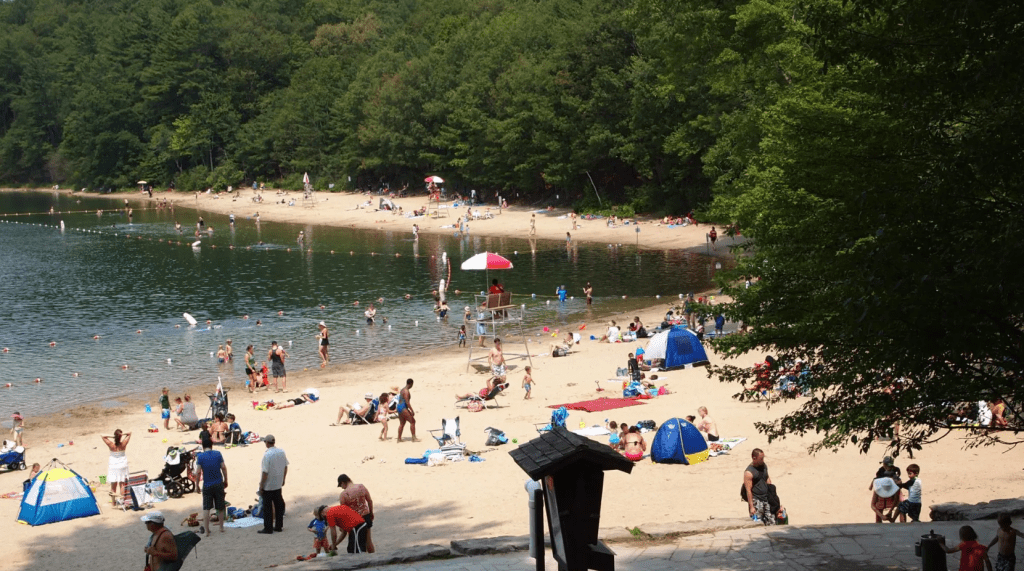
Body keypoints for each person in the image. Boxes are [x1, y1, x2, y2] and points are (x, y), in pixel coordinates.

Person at [195, 437, 229, 536]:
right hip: (218, 483)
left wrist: (197, 485)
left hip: (207, 484)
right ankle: (221, 527)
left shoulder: (200, 456)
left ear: (203, 446)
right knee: (220, 506)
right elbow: (223, 467)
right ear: (211, 445)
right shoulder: (218, 454)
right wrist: (226, 480)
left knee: (206, 508)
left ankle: (206, 531)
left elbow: (198, 472)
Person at [257, 435, 288, 534]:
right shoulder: (281, 452)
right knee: (278, 505)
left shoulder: (267, 455)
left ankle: (268, 527)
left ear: (266, 443)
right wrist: (283, 479)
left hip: (269, 485)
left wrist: (261, 485)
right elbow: (285, 466)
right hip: (278, 483)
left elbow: (265, 472)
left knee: (267, 507)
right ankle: (279, 526)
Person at [338, 474, 376, 552]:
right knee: (368, 540)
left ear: (343, 482)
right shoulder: (361, 487)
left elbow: (343, 511)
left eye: (341, 485)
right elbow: (369, 501)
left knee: (356, 541)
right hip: (365, 515)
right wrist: (371, 513)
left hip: (354, 520)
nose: (342, 487)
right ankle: (373, 557)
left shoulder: (343, 494)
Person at [744, 448, 776, 525]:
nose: (763, 460)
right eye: (761, 458)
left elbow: (767, 478)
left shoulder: (764, 466)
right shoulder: (749, 472)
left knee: (772, 522)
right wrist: (751, 507)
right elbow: (748, 490)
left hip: (766, 498)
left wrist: (772, 495)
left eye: (763, 458)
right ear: (754, 458)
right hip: (757, 501)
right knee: (758, 524)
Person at [870, 456, 902, 523]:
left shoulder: (894, 470)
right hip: (887, 486)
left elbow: (872, 505)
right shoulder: (881, 470)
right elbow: (873, 505)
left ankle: (898, 521)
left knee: (901, 505)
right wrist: (881, 515)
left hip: (890, 486)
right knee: (901, 504)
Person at [102, 429, 132, 498]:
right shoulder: (123, 444)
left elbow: (102, 436)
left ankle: (113, 502)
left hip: (113, 465)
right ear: (121, 437)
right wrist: (121, 435)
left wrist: (114, 436)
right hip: (122, 465)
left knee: (113, 485)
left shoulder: (111, 445)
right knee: (122, 484)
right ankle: (122, 500)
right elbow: (130, 433)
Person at [396, 378, 418, 442]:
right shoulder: (406, 391)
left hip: (399, 407)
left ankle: (399, 438)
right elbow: (407, 402)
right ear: (411, 384)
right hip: (403, 408)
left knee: (402, 423)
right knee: (413, 421)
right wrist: (411, 410)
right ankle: (414, 438)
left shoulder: (402, 389)